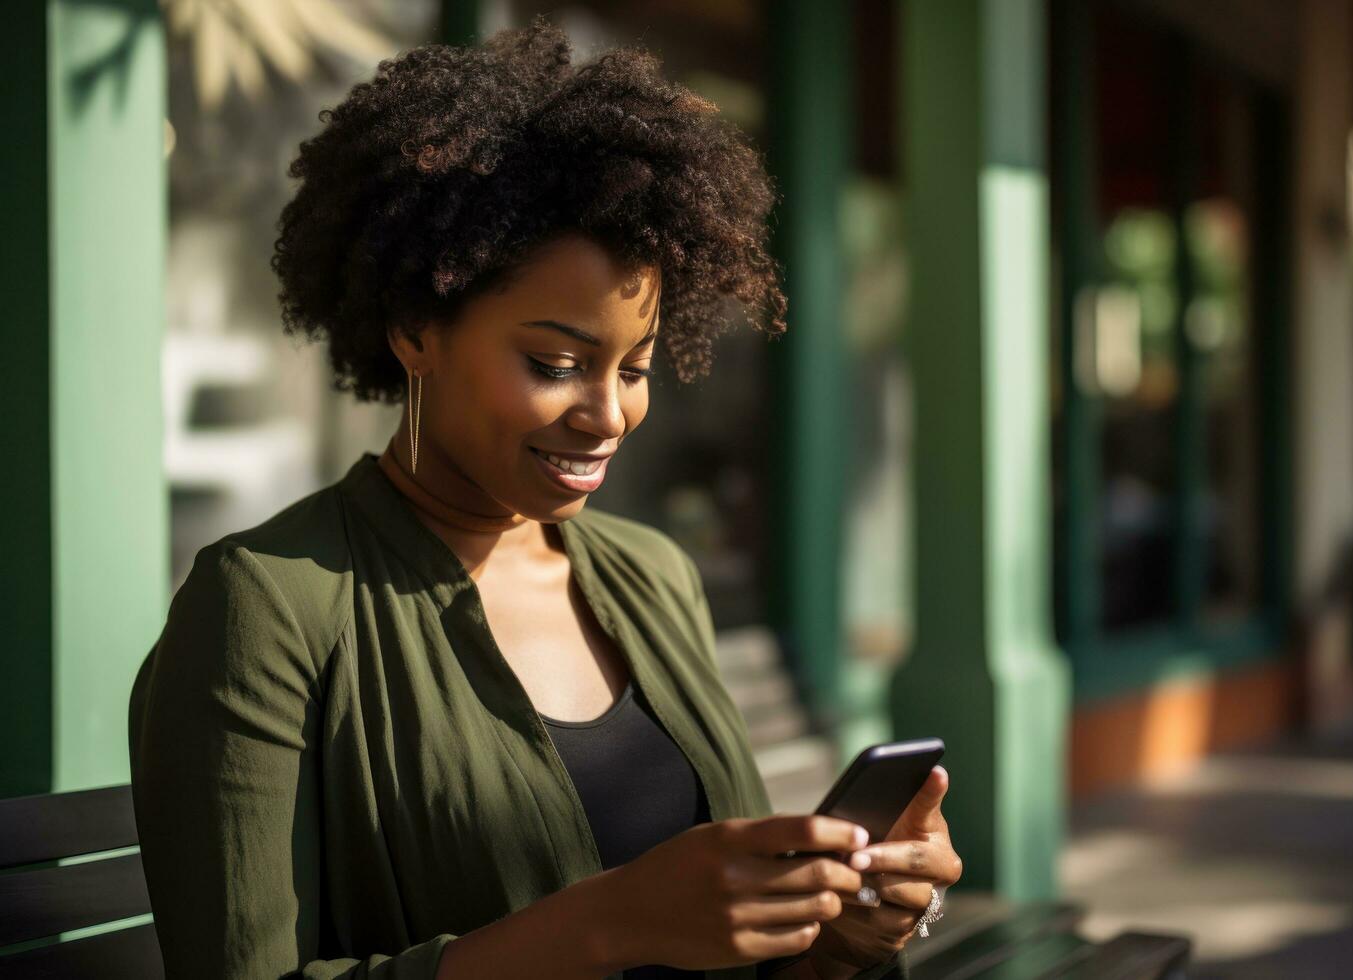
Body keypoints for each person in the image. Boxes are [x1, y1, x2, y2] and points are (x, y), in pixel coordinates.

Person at [127, 18, 961, 980]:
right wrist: (608, 924)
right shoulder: (268, 610)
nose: (609, 415)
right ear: (414, 328)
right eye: (556, 363)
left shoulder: (651, 577)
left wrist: (851, 928)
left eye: (637, 368)